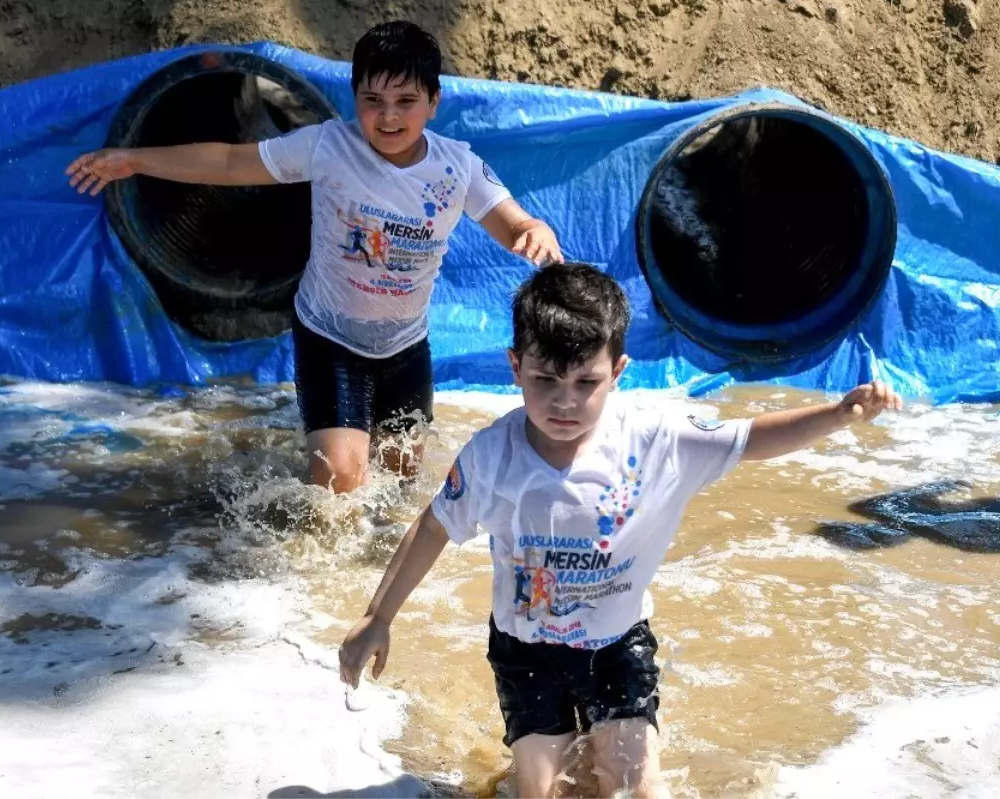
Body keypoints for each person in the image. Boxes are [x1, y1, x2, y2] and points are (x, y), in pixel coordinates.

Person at [337, 263, 903, 799]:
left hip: (617, 646)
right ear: (515, 368)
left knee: (635, 789)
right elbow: (435, 525)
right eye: (544, 380)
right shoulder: (492, 456)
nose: (565, 401)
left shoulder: (655, 439)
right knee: (539, 791)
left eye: (586, 382)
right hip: (525, 651)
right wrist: (378, 616)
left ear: (619, 372)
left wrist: (834, 415)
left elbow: (749, 438)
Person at [65, 21, 562, 493]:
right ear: (355, 98)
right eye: (373, 101)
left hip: (405, 345)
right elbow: (231, 161)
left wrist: (531, 230)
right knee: (339, 486)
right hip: (331, 337)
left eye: (406, 101)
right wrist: (133, 160)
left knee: (399, 485)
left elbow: (510, 221)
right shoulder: (328, 146)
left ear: (434, 101)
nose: (388, 116)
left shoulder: (458, 167)